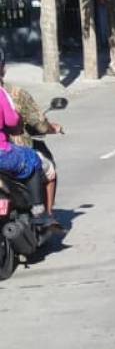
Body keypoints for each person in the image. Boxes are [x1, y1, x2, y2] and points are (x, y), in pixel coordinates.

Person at [0, 48, 57, 230]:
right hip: (5, 153)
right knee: (37, 161)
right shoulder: (11, 93)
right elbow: (15, 121)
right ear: (3, 68)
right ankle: (42, 213)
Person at [7, 81, 64, 216]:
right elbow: (40, 124)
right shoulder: (14, 93)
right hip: (12, 151)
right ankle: (47, 215)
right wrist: (51, 128)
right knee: (48, 170)